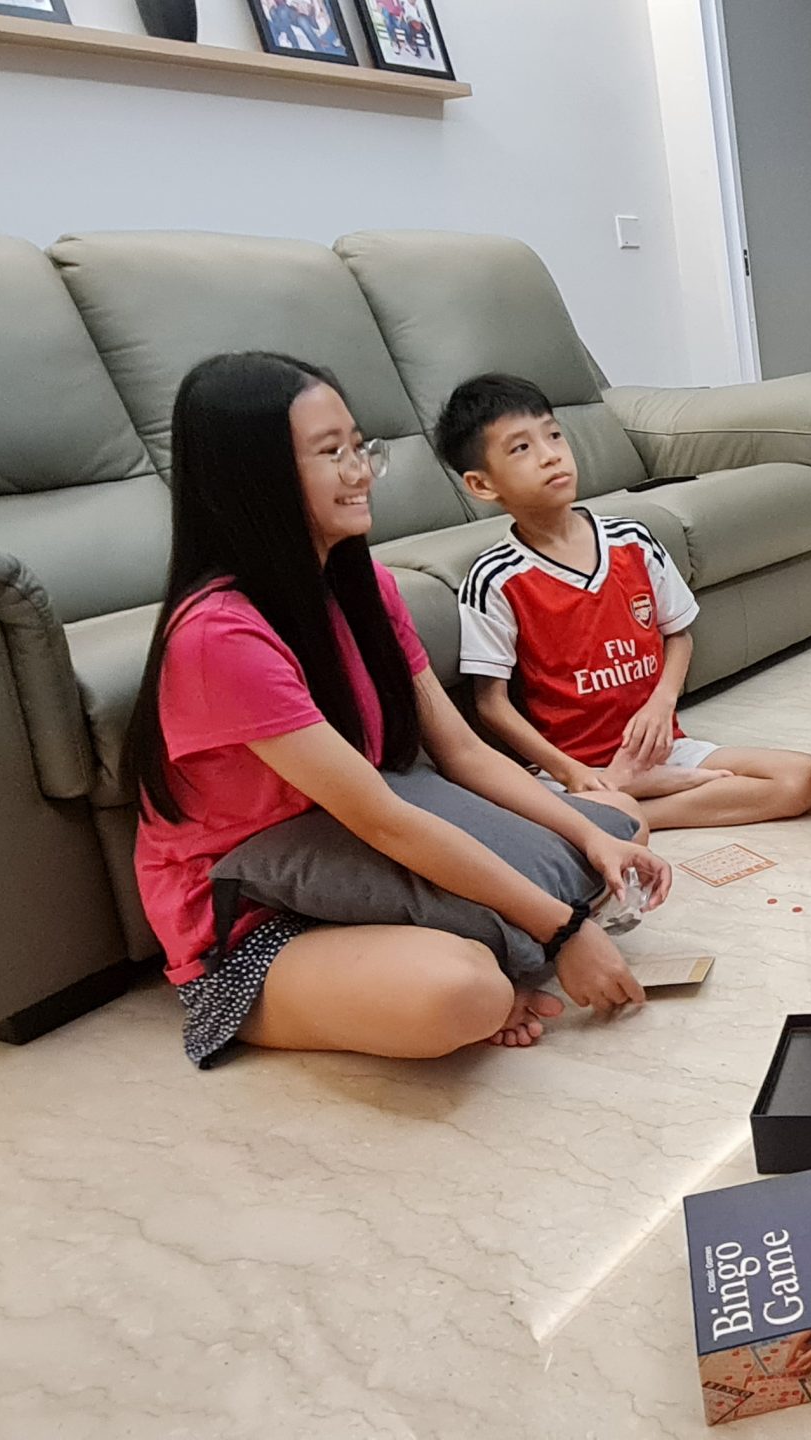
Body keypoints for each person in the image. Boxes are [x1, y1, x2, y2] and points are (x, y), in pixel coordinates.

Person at [127, 352, 671, 1068]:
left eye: (359, 446)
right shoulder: (218, 636)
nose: (360, 471)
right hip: (256, 909)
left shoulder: (365, 584)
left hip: (364, 844)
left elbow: (463, 754)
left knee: (619, 821)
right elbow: (383, 818)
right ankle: (445, 959)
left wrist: (589, 836)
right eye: (331, 453)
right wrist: (567, 931)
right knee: (461, 993)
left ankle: (458, 939)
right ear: (255, 477)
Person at [436, 374, 811, 830]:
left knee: (803, 779)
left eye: (554, 435)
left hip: (661, 750)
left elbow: (677, 634)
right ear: (482, 485)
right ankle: (617, 800)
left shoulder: (632, 541)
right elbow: (491, 706)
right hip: (572, 770)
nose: (550, 456)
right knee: (553, 807)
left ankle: (628, 806)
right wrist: (574, 773)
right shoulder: (495, 578)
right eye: (521, 449)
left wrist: (662, 703)